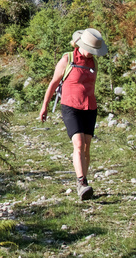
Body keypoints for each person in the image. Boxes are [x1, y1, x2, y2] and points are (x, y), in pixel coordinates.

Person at [38, 28, 108, 200]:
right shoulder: (67, 59)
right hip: (70, 106)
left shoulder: (93, 63)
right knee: (77, 143)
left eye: (95, 52)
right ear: (81, 45)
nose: (93, 54)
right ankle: (81, 183)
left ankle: (84, 179)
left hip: (90, 107)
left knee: (86, 146)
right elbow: (54, 83)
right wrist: (44, 106)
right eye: (91, 51)